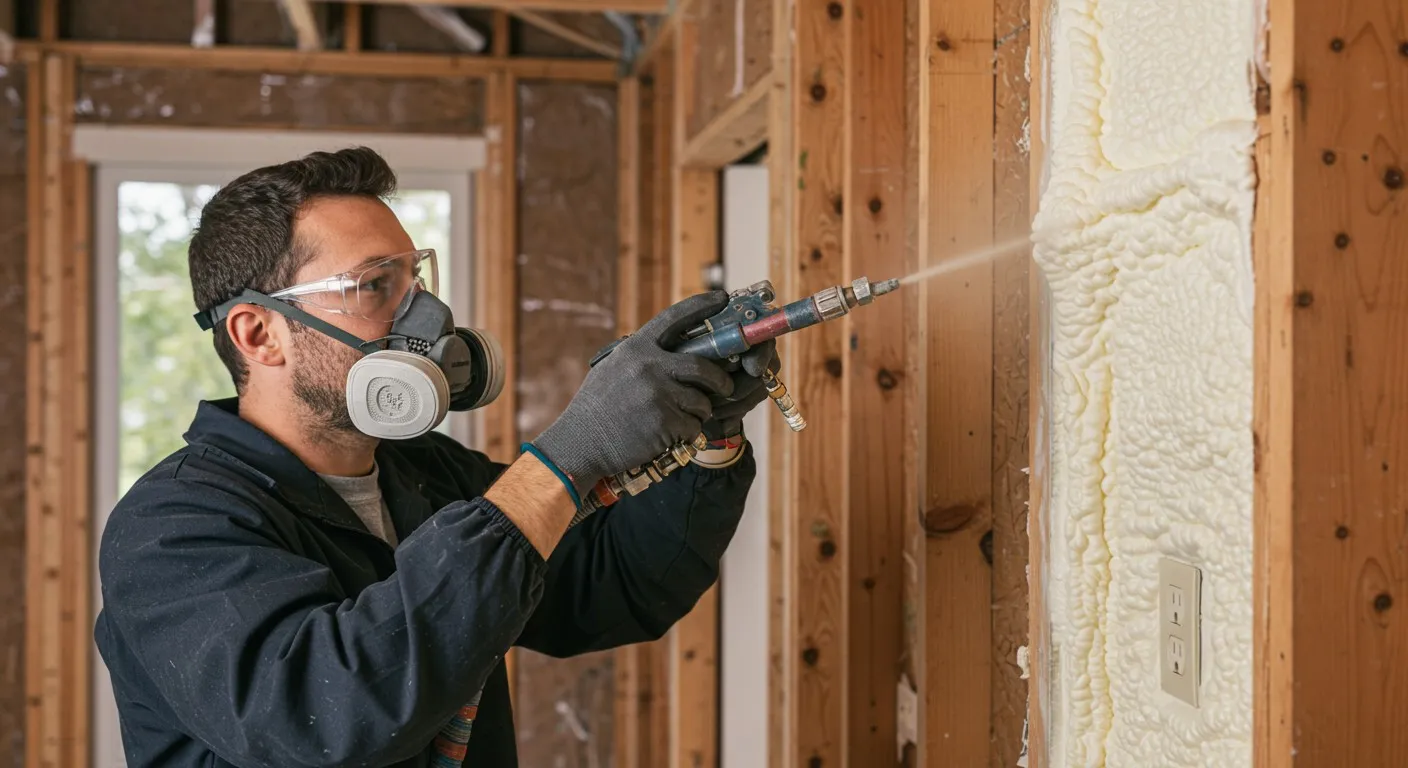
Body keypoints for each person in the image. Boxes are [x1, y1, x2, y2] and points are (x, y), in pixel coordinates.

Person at [93, 147, 778, 767]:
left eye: (414, 279)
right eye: (373, 286)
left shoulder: (425, 472)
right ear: (258, 333)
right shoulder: (173, 529)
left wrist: (706, 440)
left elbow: (610, 588)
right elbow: (326, 717)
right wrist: (565, 459)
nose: (428, 316)